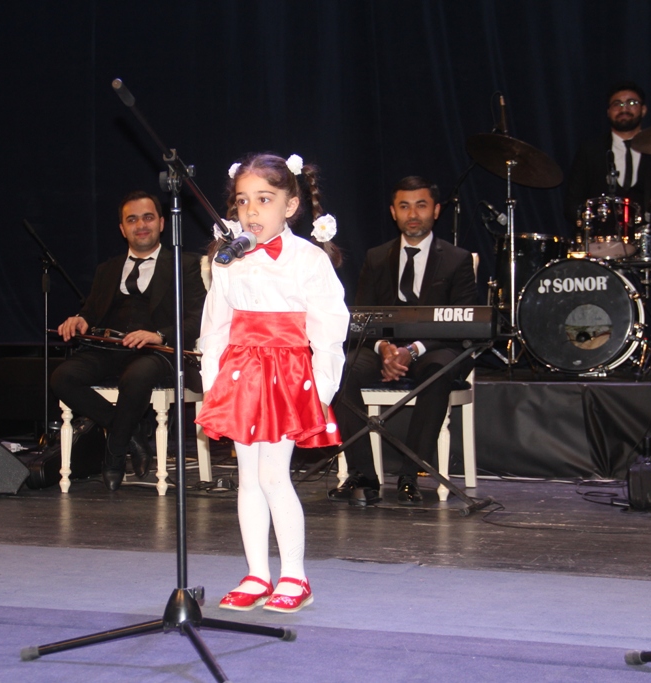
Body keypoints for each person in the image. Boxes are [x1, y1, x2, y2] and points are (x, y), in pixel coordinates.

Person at [195, 153, 348, 614]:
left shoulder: (309, 259)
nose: (251, 211)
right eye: (243, 201)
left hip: (287, 379)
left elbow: (329, 329)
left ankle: (295, 576)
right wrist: (213, 386)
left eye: (264, 199)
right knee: (247, 477)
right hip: (242, 376)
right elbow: (215, 327)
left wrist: (320, 391)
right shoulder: (228, 261)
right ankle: (257, 573)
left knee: (273, 475)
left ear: (291, 204)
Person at [328, 176, 477, 507]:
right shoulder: (377, 257)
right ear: (393, 212)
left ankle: (410, 474)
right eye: (404, 206)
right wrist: (384, 349)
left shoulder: (457, 259)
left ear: (435, 210)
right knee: (343, 370)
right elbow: (362, 318)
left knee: (438, 371)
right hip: (383, 347)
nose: (413, 214)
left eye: (421, 205)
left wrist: (413, 350)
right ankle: (364, 475)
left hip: (433, 348)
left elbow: (461, 324)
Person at [50, 190, 206, 491]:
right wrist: (79, 320)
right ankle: (132, 435)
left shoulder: (184, 264)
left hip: (157, 351)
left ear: (162, 223)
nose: (141, 225)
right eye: (132, 220)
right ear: (122, 229)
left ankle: (115, 455)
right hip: (109, 349)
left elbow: (199, 317)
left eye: (148, 218)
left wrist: (159, 334)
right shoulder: (107, 269)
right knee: (62, 377)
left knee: (137, 375)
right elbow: (90, 313)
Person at [564, 80, 651, 230]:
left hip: (648, 239)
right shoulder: (590, 151)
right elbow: (572, 203)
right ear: (608, 112)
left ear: (643, 110)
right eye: (617, 104)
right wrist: (589, 228)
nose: (624, 109)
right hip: (599, 239)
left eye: (632, 103)